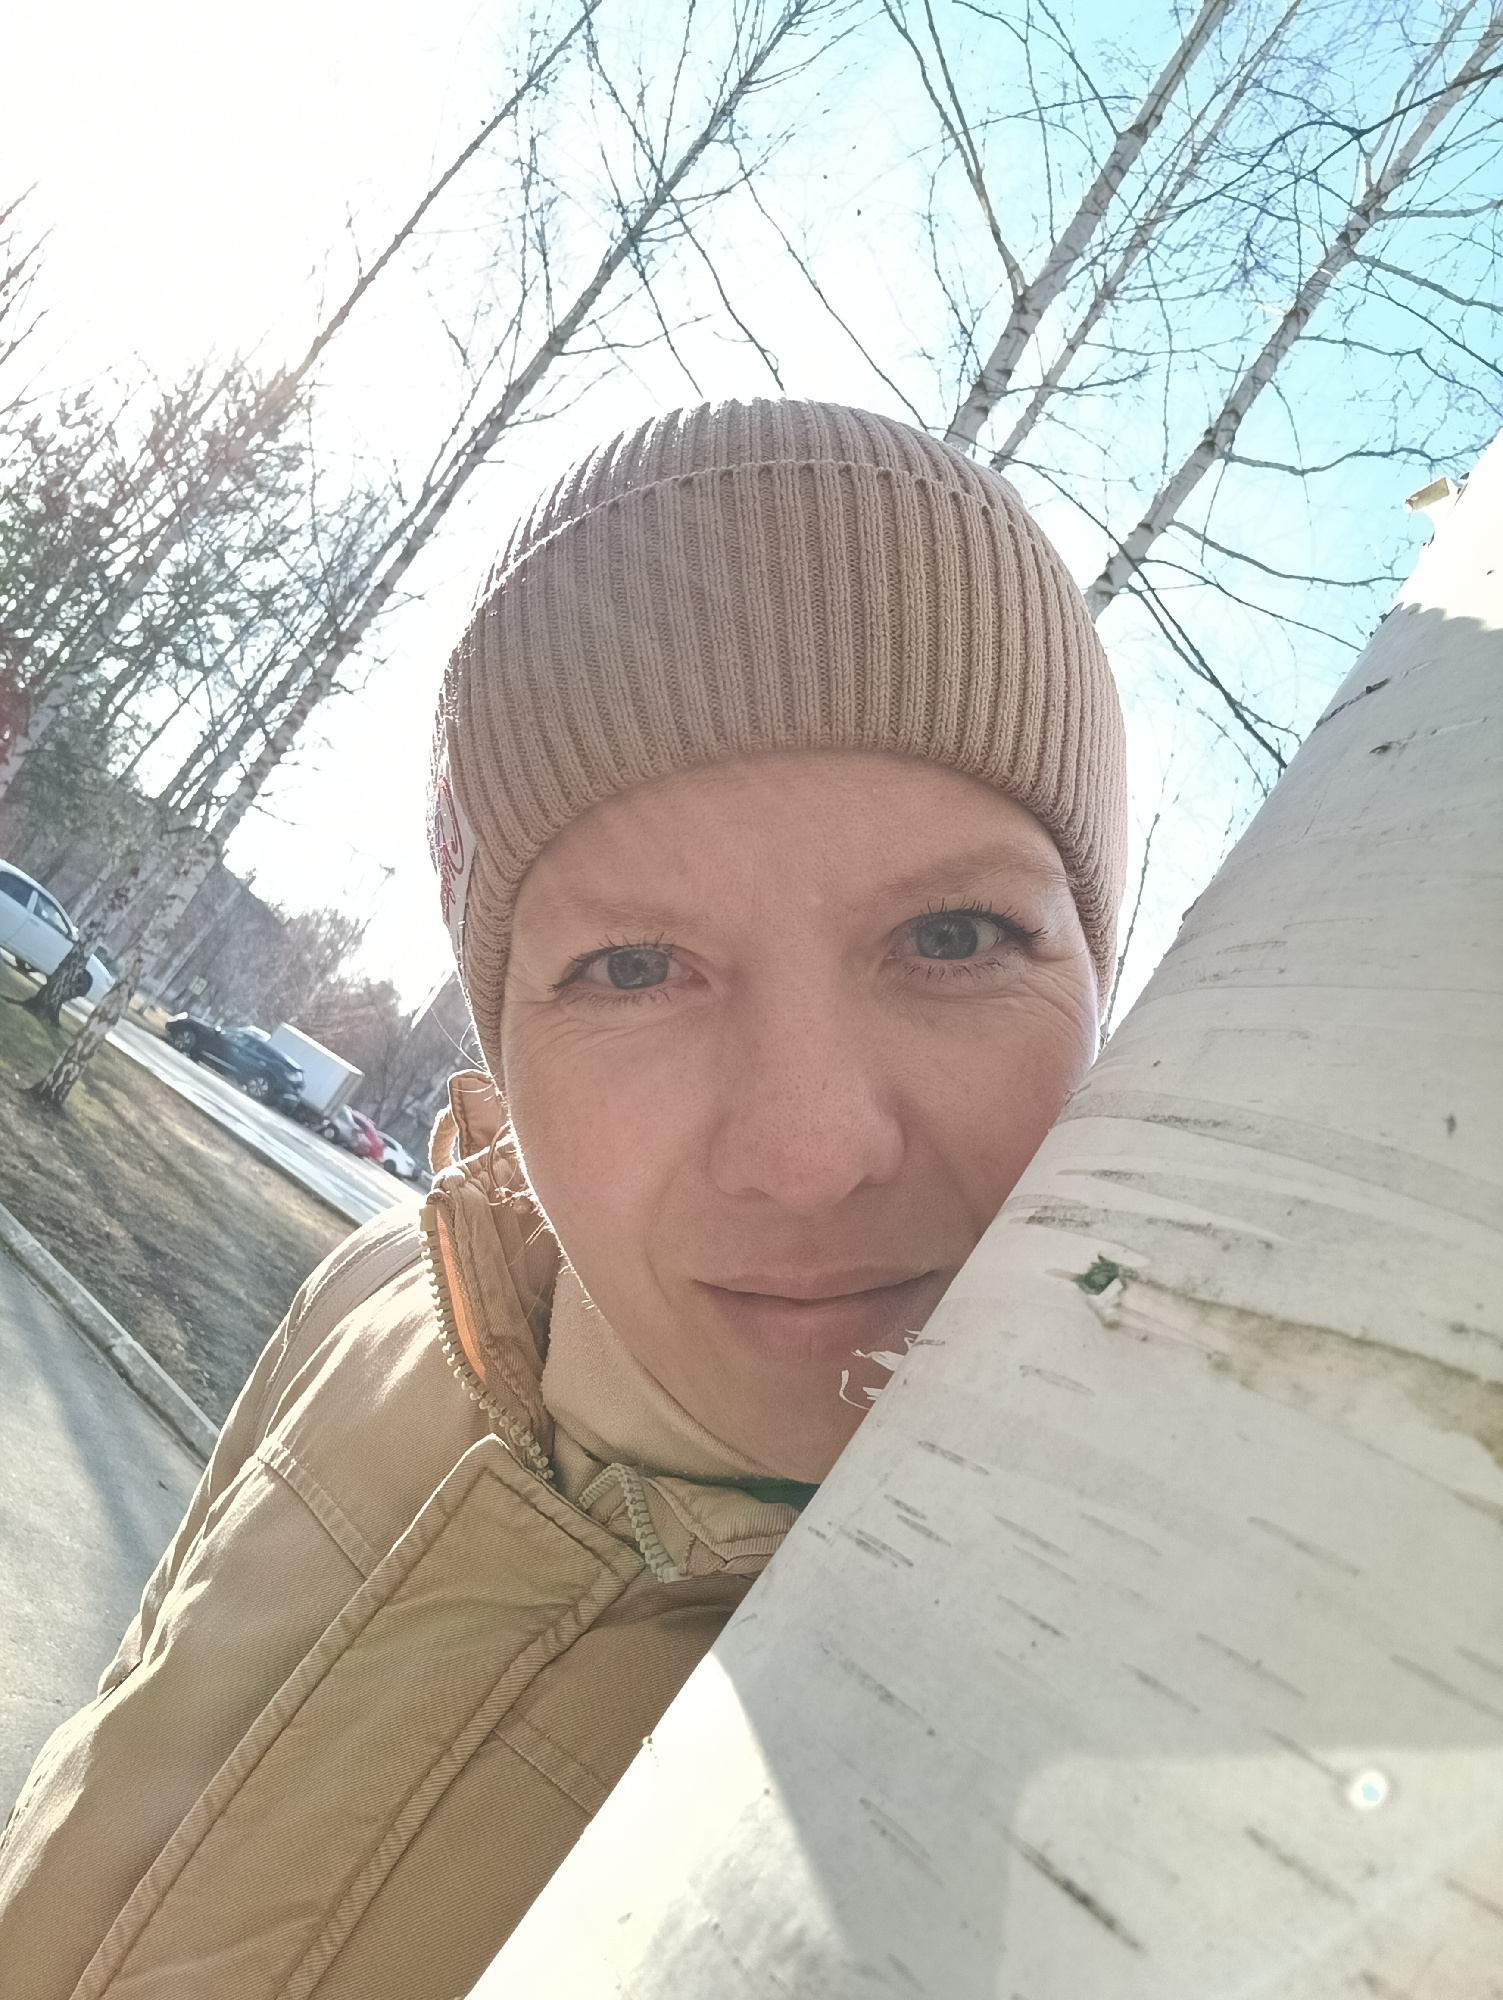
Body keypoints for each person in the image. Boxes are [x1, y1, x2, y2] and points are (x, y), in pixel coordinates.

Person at [0, 399, 1126, 1998]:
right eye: (635, 966)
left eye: (954, 938)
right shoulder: (379, 1304)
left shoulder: (1110, 1781)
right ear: (504, 1026)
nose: (808, 1151)